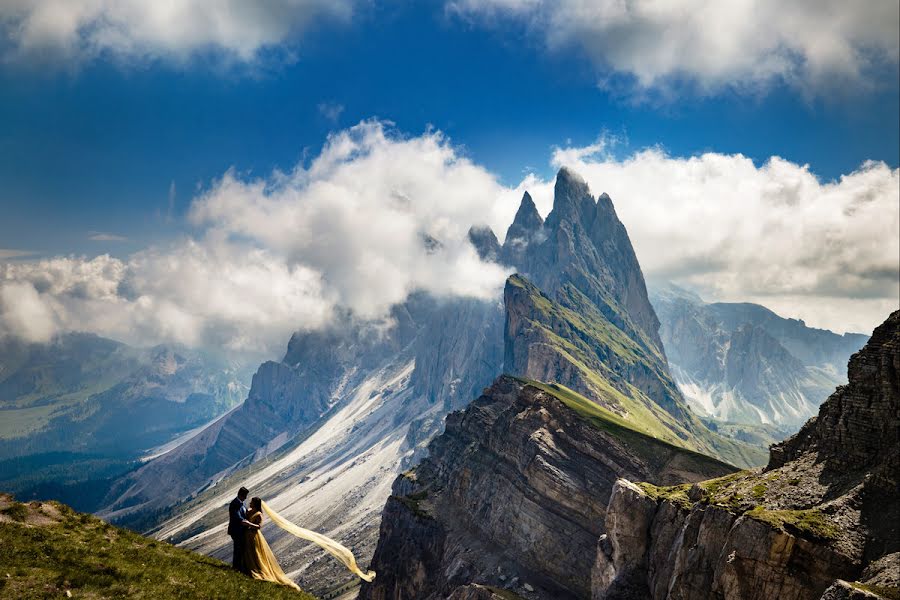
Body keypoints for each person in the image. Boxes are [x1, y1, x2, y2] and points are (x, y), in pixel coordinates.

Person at [243, 497, 303, 591]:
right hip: (248, 535)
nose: (250, 503)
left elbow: (259, 526)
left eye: (252, 502)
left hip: (254, 536)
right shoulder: (249, 511)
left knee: (255, 553)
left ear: (255, 504)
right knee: (248, 552)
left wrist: (249, 524)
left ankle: (258, 571)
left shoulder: (259, 514)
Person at [227, 486, 259, 574]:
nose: (246, 497)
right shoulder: (235, 504)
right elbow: (236, 516)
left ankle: (239, 567)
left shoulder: (241, 503)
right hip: (236, 530)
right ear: (241, 495)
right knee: (238, 548)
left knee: (240, 548)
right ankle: (236, 567)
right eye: (245, 495)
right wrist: (244, 521)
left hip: (241, 530)